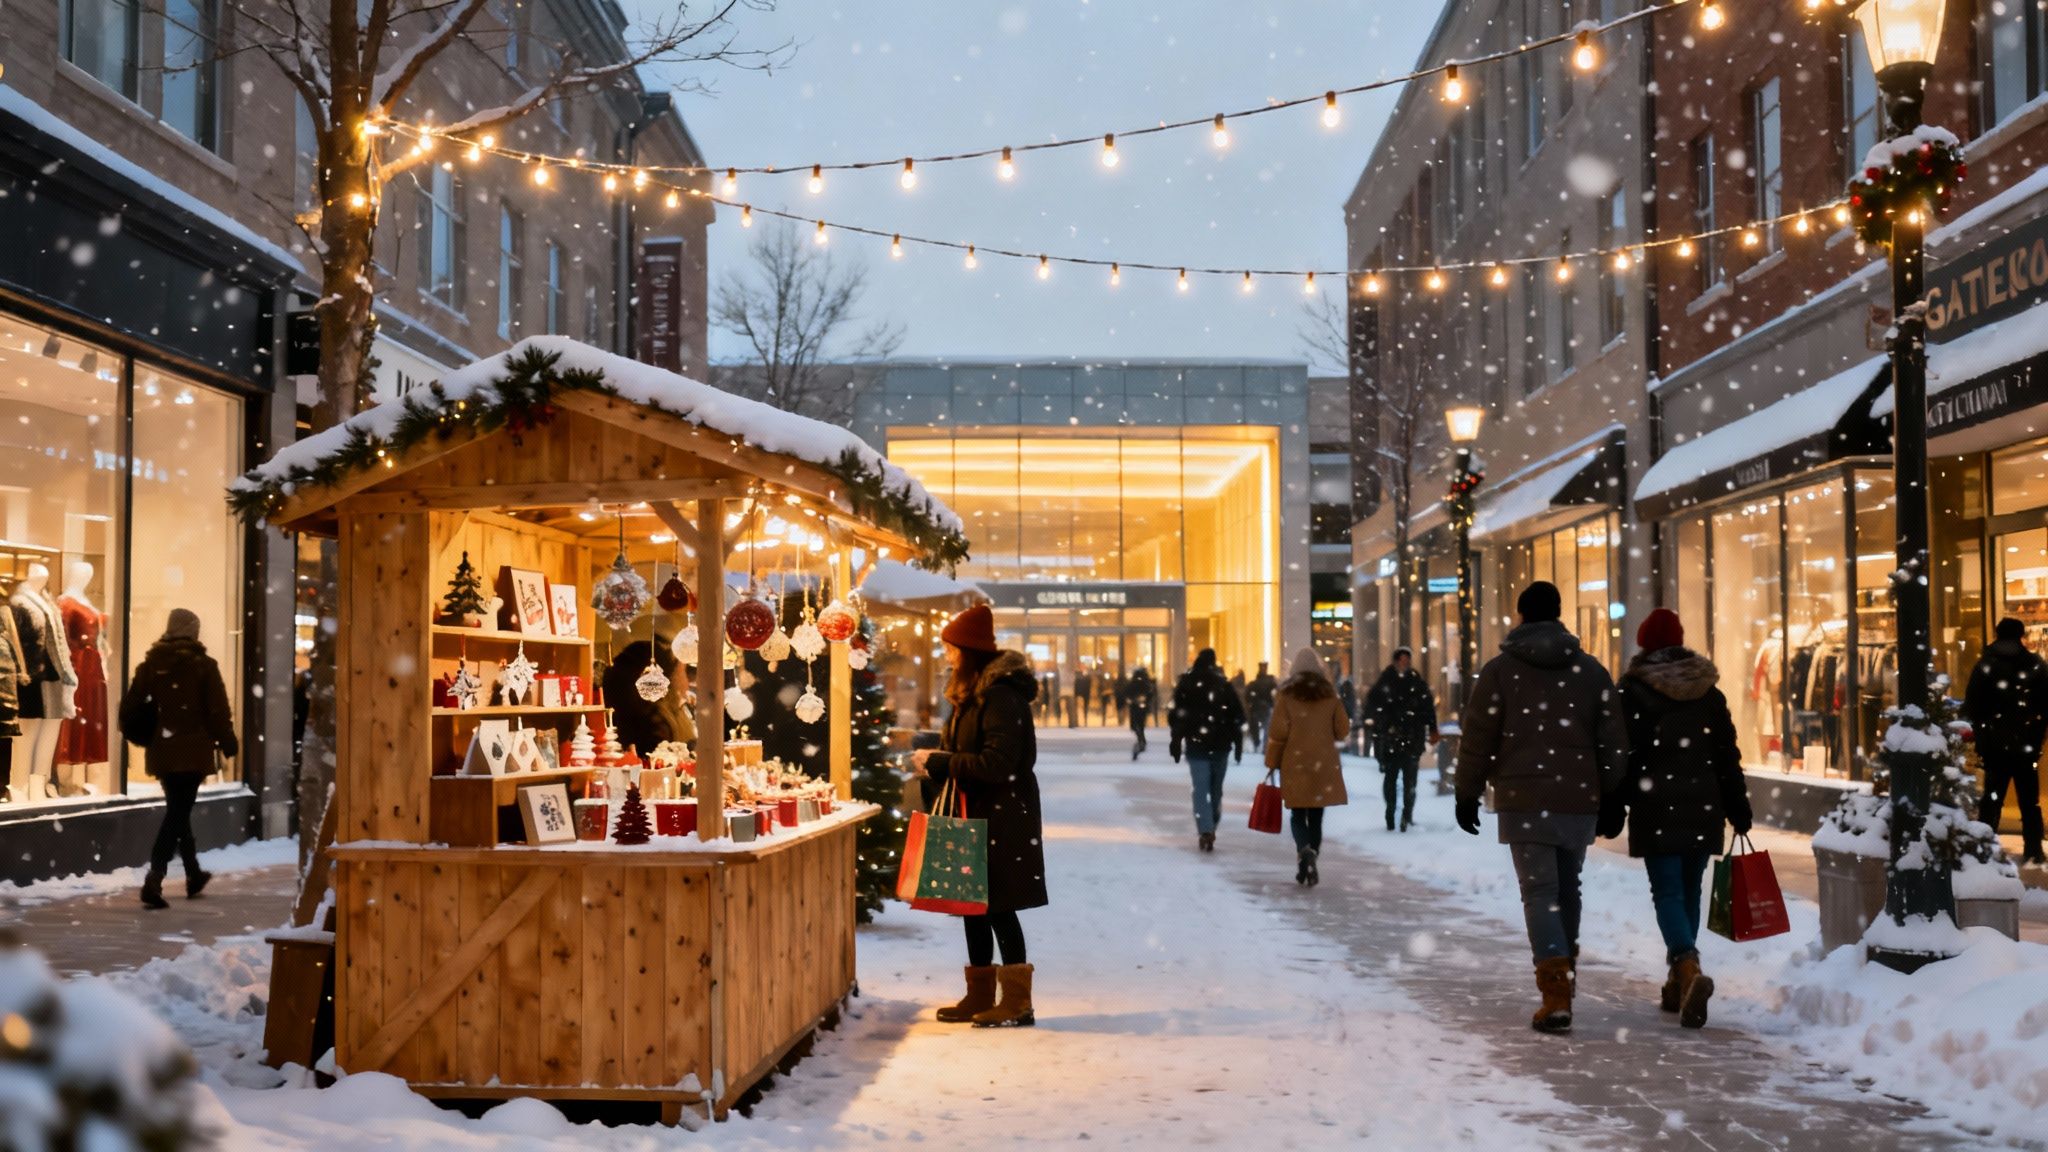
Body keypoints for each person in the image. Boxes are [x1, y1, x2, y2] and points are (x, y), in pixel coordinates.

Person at [1455, 582, 1628, 1035]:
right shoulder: (1591, 672)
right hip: (1577, 797)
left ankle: (1555, 993)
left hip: (1524, 797)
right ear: (1559, 614)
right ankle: (1563, 978)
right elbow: (1613, 740)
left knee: (1539, 892)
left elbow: (1477, 738)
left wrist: (1467, 792)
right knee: (1567, 889)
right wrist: (1613, 794)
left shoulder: (1500, 673)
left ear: (1521, 616)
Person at [1611, 608, 1753, 1029]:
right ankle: (1680, 981)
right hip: (1704, 804)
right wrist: (1738, 805)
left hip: (1657, 805)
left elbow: (1623, 756)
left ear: (1644, 644)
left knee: (1668, 891)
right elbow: (1727, 755)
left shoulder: (1633, 692)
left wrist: (1615, 803)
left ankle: (1686, 965)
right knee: (1689, 887)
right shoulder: (1708, 692)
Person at [908, 603, 1047, 1028]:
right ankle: (980, 993)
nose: (948, 656)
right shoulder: (971, 696)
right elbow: (969, 750)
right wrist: (936, 754)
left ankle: (1017, 1002)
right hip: (976, 813)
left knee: (999, 906)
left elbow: (998, 763)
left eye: (952, 649)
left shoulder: (1000, 697)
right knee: (973, 905)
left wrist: (942, 761)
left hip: (1001, 816)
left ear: (969, 652)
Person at [119, 609, 237, 911]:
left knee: (178, 810)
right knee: (177, 814)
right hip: (193, 750)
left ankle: (193, 873)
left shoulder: (151, 665)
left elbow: (129, 708)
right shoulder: (203, 666)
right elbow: (217, 709)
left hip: (163, 750)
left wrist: (149, 731)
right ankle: (155, 876)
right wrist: (227, 740)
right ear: (191, 631)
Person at [1266, 648, 1350, 886]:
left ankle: (1304, 850)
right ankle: (1312, 852)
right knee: (1316, 816)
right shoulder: (1329, 695)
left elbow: (1278, 734)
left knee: (1297, 814)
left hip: (1295, 761)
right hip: (1323, 762)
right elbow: (1343, 729)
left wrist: (1272, 761)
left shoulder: (1286, 696)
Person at [1966, 618, 2047, 866]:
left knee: (1992, 799)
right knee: (2029, 801)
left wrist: (1983, 734)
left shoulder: (1986, 666)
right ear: (2021, 635)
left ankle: (1984, 848)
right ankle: (2033, 848)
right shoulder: (2035, 665)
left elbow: (1973, 705)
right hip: (2026, 744)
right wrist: (2036, 734)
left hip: (1995, 745)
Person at [1170, 649, 1246, 852]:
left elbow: (1177, 716)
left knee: (1200, 788)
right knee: (1215, 789)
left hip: (1197, 745)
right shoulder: (1223, 685)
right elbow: (1237, 717)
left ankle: (1205, 827)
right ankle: (1211, 820)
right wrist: (1237, 744)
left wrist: (1176, 740)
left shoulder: (1187, 684)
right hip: (1220, 745)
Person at [1366, 648, 1439, 832]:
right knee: (1391, 777)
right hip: (1392, 739)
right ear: (1396, 661)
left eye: (1407, 659)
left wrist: (1432, 727)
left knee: (1410, 779)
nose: (1404, 663)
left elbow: (1427, 706)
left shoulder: (1415, 681)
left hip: (1411, 737)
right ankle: (1391, 812)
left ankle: (1407, 814)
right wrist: (1379, 725)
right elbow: (1373, 706)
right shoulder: (1387, 681)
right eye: (1401, 659)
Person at [1124, 666, 1157, 759]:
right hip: (1136, 705)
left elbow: (1150, 693)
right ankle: (1141, 737)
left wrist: (1146, 701)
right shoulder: (1139, 683)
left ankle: (1141, 738)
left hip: (1138, 706)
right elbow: (1127, 692)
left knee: (1138, 724)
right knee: (1138, 724)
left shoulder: (1144, 683)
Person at [1246, 661, 1278, 750]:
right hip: (1264, 706)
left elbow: (1248, 695)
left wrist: (1251, 701)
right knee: (1265, 727)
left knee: (1258, 726)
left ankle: (1259, 744)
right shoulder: (1270, 682)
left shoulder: (1255, 683)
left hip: (1259, 706)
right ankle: (1262, 745)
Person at [1337, 675, 1360, 753]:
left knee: (1345, 733)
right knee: (1350, 734)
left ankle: (1345, 748)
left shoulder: (1343, 693)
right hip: (1349, 715)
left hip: (1344, 715)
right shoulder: (1351, 693)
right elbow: (1352, 706)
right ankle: (1351, 748)